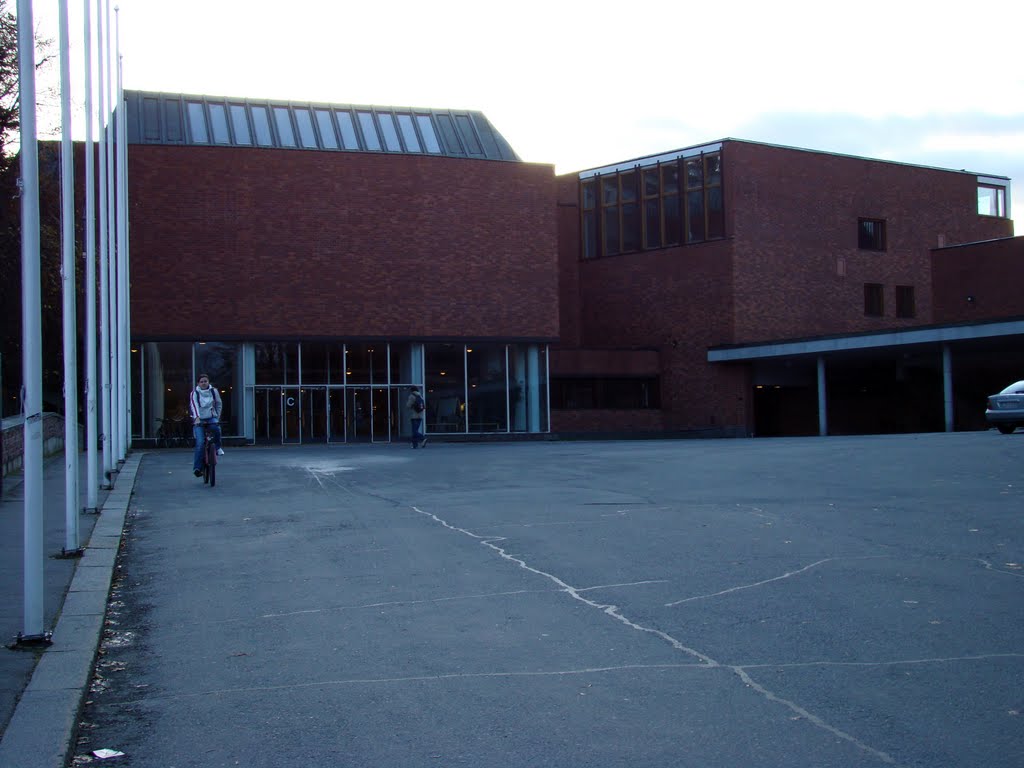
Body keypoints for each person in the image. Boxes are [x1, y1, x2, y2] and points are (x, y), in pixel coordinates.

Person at [189, 373, 224, 476]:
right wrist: (197, 418)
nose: (204, 383)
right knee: (200, 443)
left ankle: (217, 447)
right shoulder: (194, 393)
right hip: (198, 419)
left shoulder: (214, 391)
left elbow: (219, 404)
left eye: (205, 381)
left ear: (208, 382)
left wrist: (217, 416)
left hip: (211, 417)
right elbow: (194, 405)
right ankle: (197, 468)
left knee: (216, 428)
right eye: (201, 381)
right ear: (198, 383)